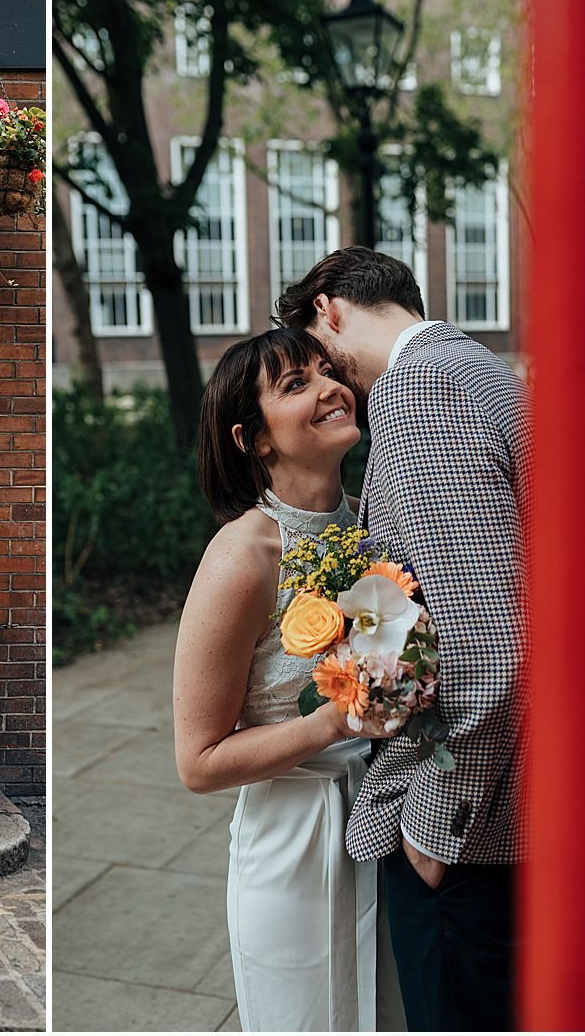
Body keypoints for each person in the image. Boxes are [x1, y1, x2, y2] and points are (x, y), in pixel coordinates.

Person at [277, 246, 531, 1032]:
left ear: (329, 309)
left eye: (320, 360)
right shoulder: (482, 369)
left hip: (472, 831)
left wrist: (434, 830)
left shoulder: (420, 394)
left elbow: (489, 646)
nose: (331, 381)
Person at [174, 326, 406, 1032]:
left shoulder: (374, 525)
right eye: (295, 384)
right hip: (296, 836)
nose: (332, 388)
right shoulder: (243, 555)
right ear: (255, 439)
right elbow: (198, 762)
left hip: (389, 816)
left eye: (327, 371)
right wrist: (334, 719)